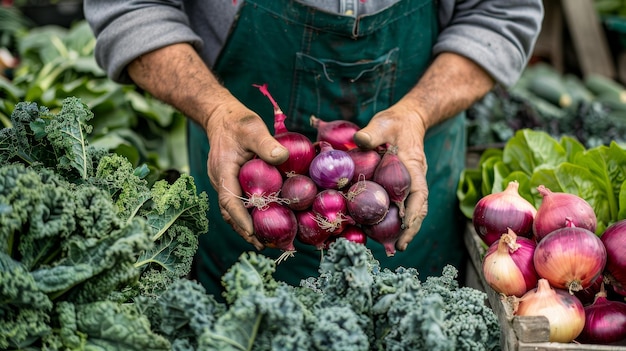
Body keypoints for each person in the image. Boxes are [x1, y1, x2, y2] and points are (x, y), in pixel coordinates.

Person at [84, 0, 543, 297]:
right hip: (243, 197)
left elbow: (502, 13)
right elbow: (130, 9)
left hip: (416, 177)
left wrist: (419, 113)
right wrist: (216, 111)